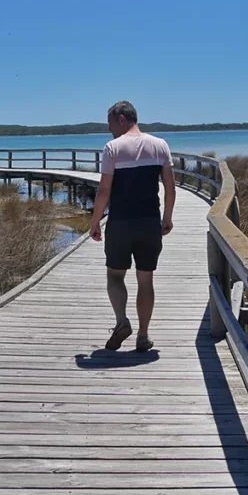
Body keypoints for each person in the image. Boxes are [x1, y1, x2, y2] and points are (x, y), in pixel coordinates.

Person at [90, 101, 175, 352]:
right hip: (149, 221)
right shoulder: (160, 145)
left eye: (110, 123)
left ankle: (121, 321)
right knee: (145, 279)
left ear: (122, 119)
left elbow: (104, 190)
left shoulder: (113, 148)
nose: (109, 129)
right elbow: (170, 187)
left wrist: (95, 221)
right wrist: (167, 217)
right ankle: (143, 336)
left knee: (115, 275)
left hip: (120, 222)